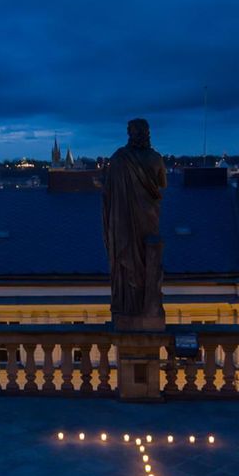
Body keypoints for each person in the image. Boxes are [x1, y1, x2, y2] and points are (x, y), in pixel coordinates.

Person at [103, 119, 167, 331]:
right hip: (148, 219)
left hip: (124, 224)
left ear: (130, 134)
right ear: (147, 134)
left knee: (127, 258)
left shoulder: (119, 159)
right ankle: (146, 305)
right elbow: (162, 184)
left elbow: (108, 195)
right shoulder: (155, 158)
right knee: (147, 259)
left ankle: (128, 304)